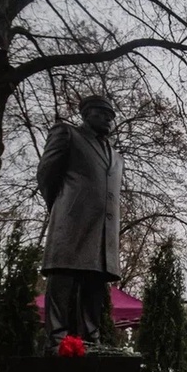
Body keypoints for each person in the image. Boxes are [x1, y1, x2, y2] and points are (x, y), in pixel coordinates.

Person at [38, 95, 124, 354]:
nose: (109, 118)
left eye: (111, 115)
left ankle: (90, 338)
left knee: (95, 285)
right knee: (63, 279)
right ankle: (56, 339)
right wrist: (63, 207)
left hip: (104, 232)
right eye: (102, 113)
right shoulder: (68, 134)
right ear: (87, 114)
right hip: (71, 223)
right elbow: (46, 174)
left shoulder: (117, 157)